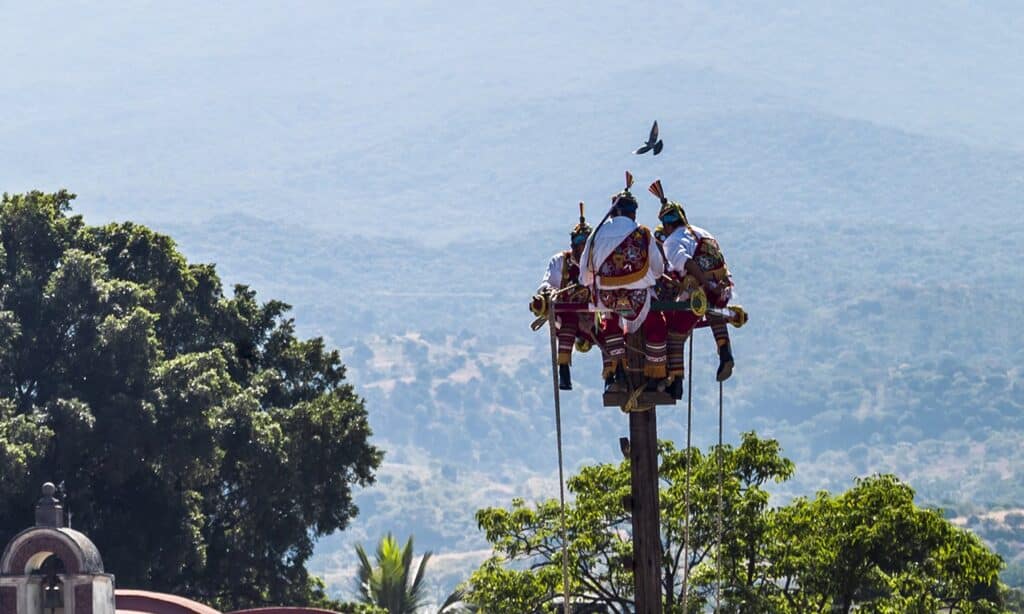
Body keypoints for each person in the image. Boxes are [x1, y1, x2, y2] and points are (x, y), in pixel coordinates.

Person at [580, 172, 667, 392]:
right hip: (639, 297)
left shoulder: (596, 234)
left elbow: (584, 276)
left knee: (608, 323)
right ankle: (656, 377)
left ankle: (616, 373)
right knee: (656, 323)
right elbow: (658, 271)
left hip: (608, 298)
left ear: (613, 210)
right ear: (633, 212)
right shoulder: (643, 233)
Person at [650, 179, 736, 386]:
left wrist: (705, 282)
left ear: (668, 225)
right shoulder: (703, 232)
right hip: (724, 286)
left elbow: (687, 263)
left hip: (700, 289)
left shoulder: (673, 241)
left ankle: (676, 381)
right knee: (714, 313)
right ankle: (725, 351)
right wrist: (714, 284)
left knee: (675, 331)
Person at [531, 203, 598, 390]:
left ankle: (615, 376)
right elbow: (546, 284)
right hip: (568, 315)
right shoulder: (561, 261)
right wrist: (549, 293)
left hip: (594, 315)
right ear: (573, 245)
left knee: (611, 328)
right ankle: (564, 370)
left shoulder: (600, 262)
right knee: (567, 322)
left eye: (587, 245)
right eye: (580, 244)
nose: (583, 249)